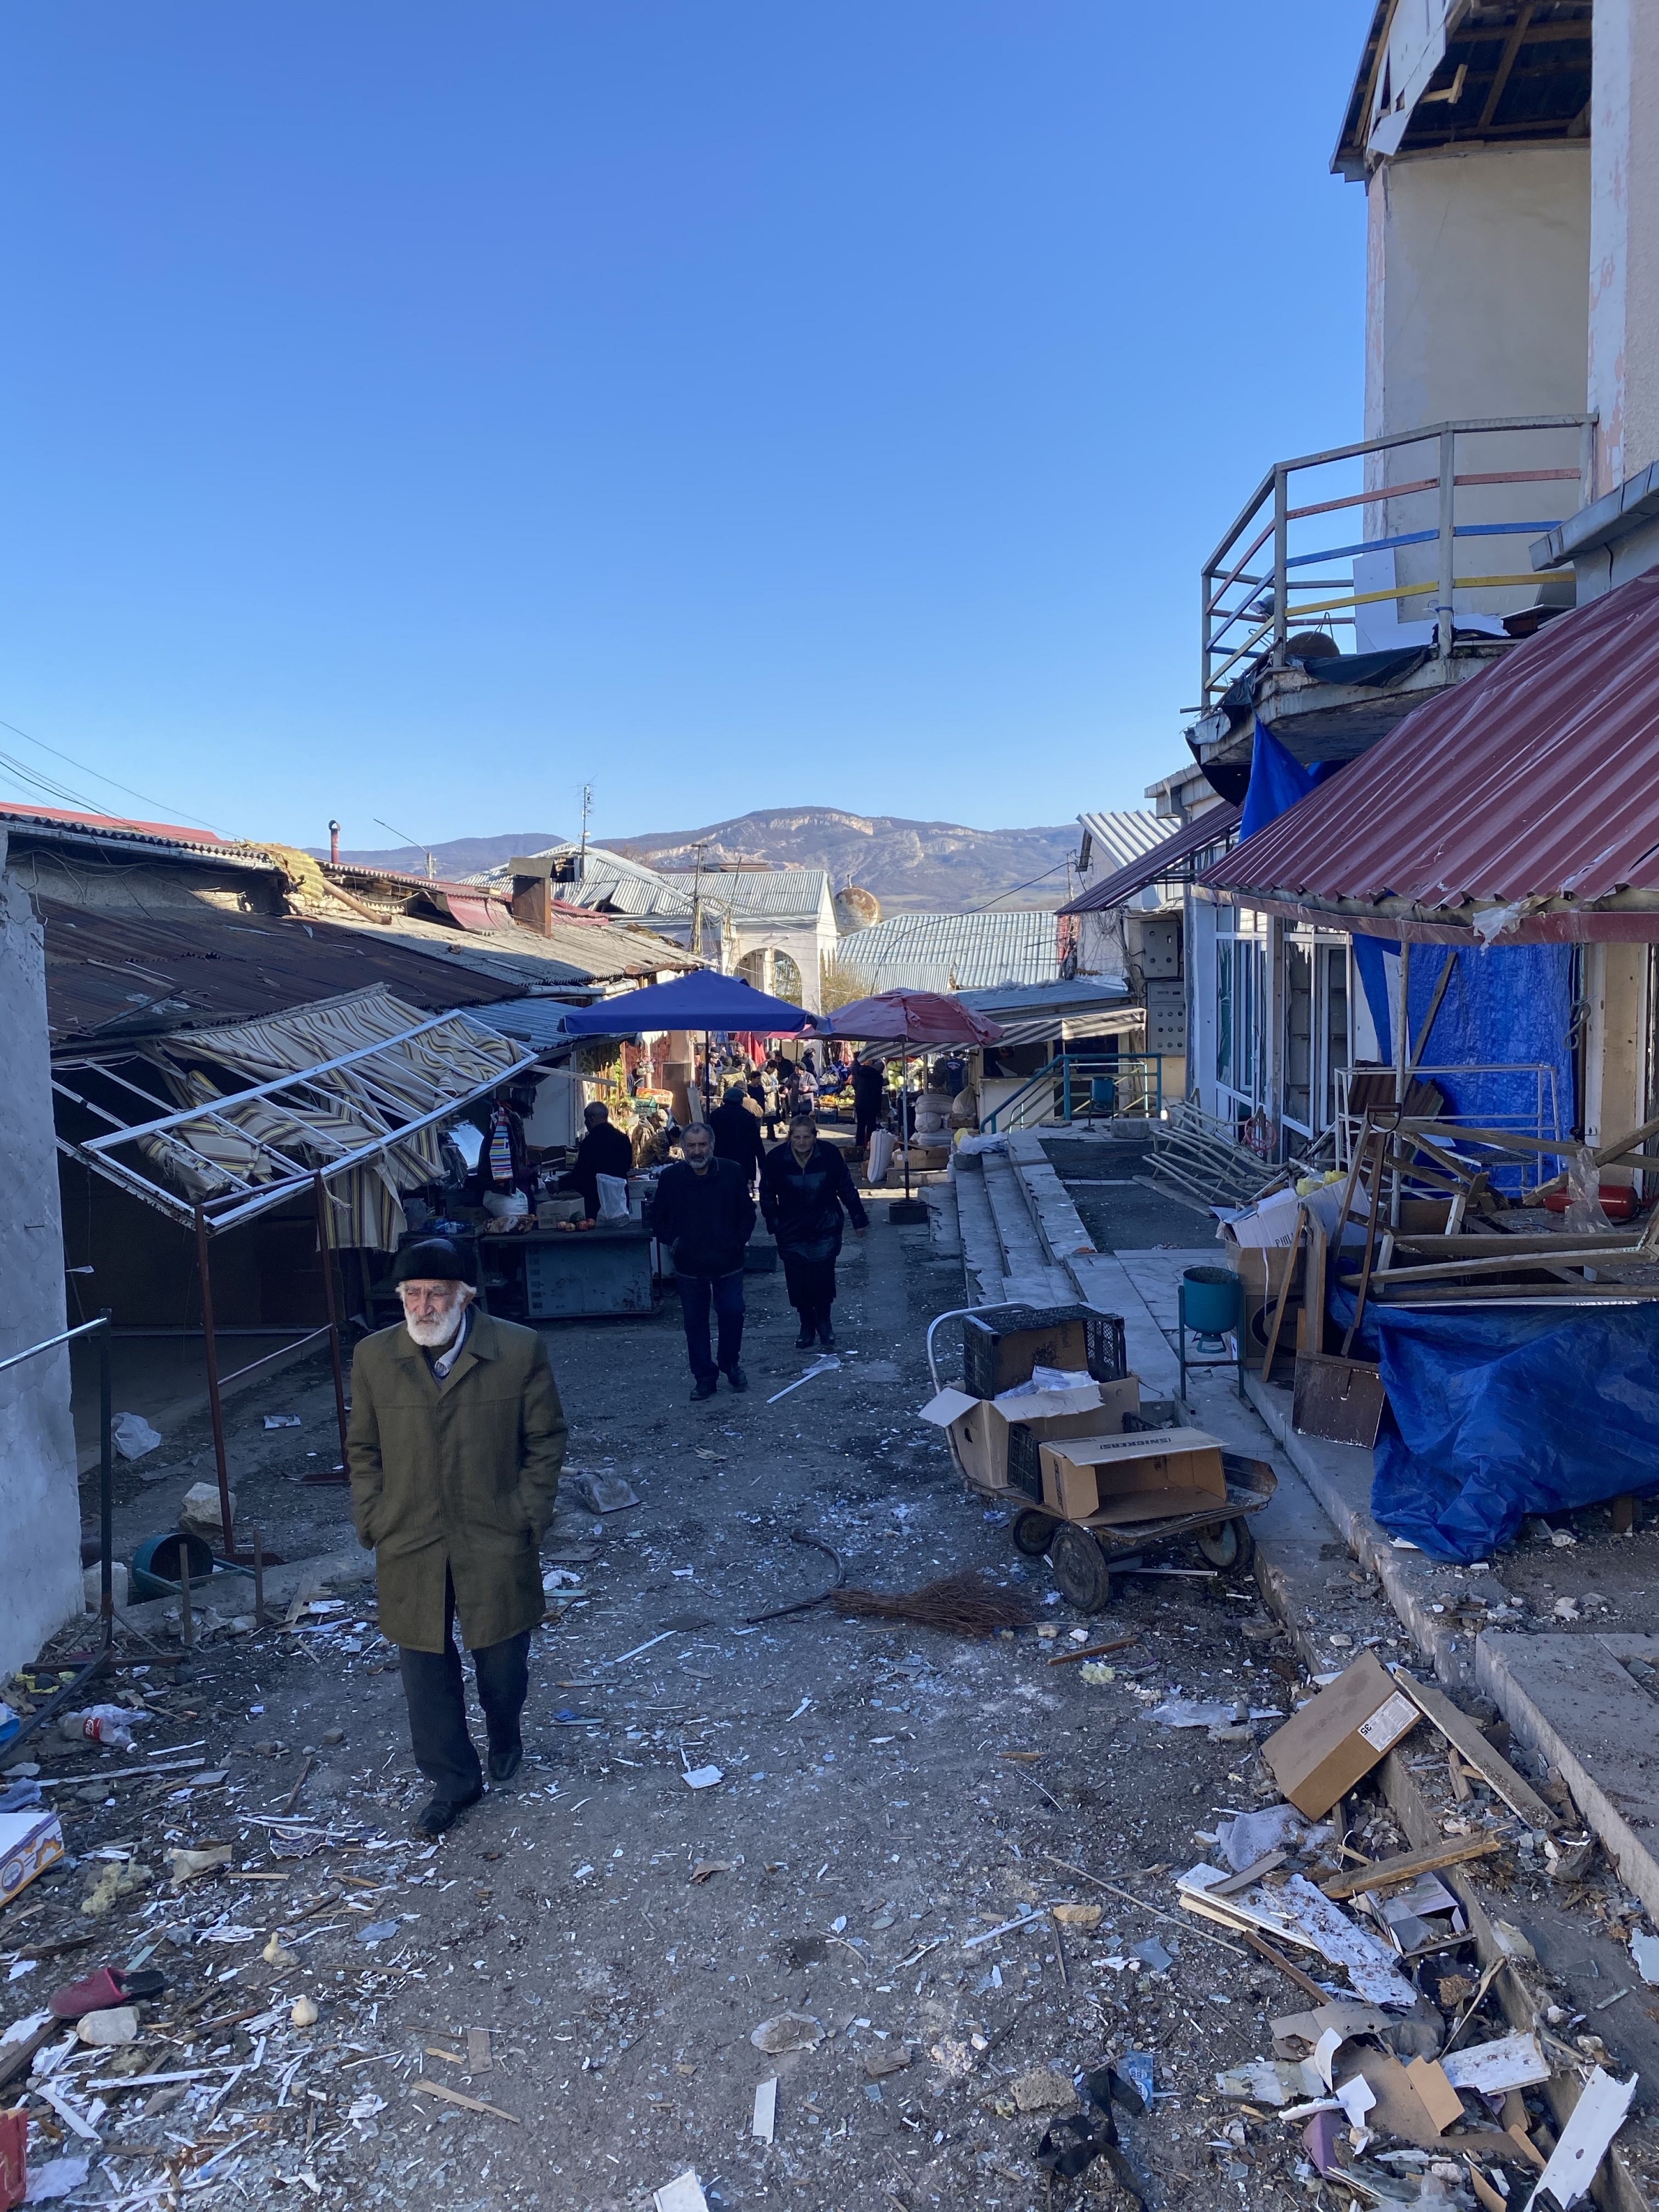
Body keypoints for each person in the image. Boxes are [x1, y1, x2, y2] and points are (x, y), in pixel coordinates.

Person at [346, 1238, 566, 1837]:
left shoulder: (518, 1350)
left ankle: (505, 1731)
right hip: (408, 1535)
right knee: (424, 1667)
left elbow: (545, 1440)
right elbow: (362, 1448)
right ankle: (453, 1780)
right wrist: (373, 1514)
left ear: (465, 1296)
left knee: (501, 1659)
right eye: (411, 1294)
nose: (422, 1306)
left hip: (492, 1530)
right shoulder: (373, 1357)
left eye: (436, 1293)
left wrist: (527, 1512)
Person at [647, 1120, 756, 1398]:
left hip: (728, 1262)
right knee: (695, 1323)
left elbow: (747, 1214)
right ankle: (704, 1377)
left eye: (702, 1145)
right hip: (689, 1265)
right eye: (691, 1146)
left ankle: (730, 1363)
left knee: (733, 1313)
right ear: (682, 1148)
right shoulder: (671, 1178)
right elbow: (657, 1218)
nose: (697, 1151)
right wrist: (675, 1241)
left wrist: (736, 1242)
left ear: (712, 1146)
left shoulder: (731, 1173)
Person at [760, 1114, 868, 1350]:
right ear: (790, 1138)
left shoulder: (829, 1154)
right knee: (798, 1279)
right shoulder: (777, 1158)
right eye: (796, 1137)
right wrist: (774, 1222)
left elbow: (846, 1187)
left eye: (806, 1137)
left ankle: (824, 1322)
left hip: (824, 1226)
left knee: (822, 1277)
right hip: (791, 1228)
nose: (801, 1142)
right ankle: (806, 1324)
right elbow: (766, 1193)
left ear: (814, 1136)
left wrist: (858, 1217)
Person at [560, 1100, 634, 1221]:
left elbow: (581, 1175)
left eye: (586, 1119)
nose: (585, 1123)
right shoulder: (623, 1139)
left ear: (591, 1119)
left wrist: (561, 1185)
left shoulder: (589, 1142)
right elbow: (628, 1166)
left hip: (596, 1202)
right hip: (620, 1201)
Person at [709, 1078, 766, 1190]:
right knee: (741, 1189)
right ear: (741, 1100)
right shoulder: (747, 1116)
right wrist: (762, 1162)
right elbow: (756, 1142)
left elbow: (710, 1138)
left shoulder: (716, 1115)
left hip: (721, 1158)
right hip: (743, 1160)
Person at [852, 1057, 887, 1152]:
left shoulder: (857, 1072)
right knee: (871, 1126)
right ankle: (870, 1146)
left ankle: (859, 1147)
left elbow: (853, 1083)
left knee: (861, 1125)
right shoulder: (877, 1077)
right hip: (872, 1103)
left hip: (860, 1102)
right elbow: (880, 1089)